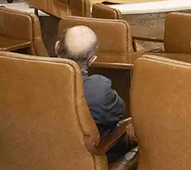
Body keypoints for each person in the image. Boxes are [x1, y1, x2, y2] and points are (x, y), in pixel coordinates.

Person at [55, 25, 133, 162]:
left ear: (56, 47)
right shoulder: (99, 90)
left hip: (46, 157)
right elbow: (119, 112)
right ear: (92, 60)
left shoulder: (31, 78)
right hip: (86, 163)